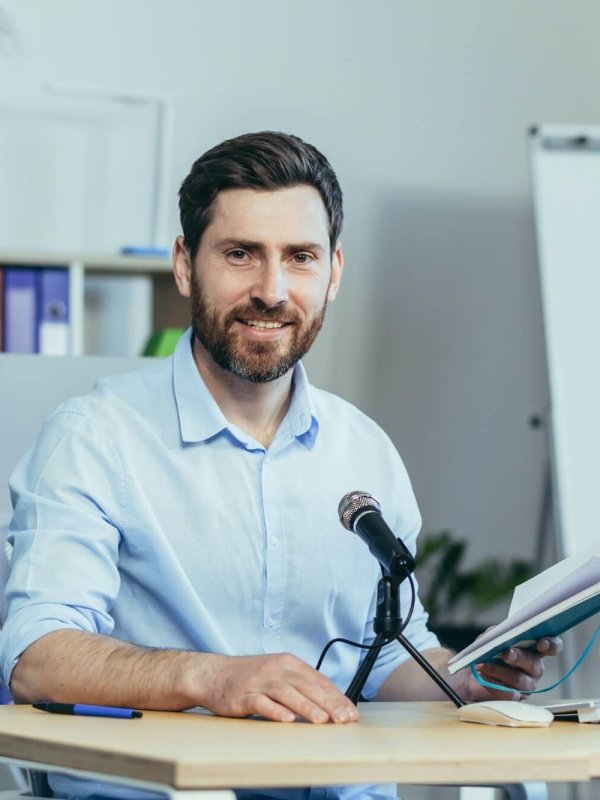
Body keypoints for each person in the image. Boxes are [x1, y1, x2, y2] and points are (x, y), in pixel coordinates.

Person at [0, 132, 561, 800]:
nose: (271, 290)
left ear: (333, 272)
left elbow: (387, 655)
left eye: (300, 257)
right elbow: (39, 657)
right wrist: (212, 677)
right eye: (241, 254)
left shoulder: (365, 450)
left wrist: (465, 677)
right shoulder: (93, 439)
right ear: (185, 265)